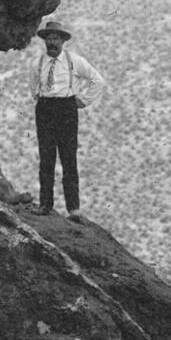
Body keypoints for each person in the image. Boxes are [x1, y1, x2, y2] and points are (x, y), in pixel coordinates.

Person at [28, 20, 106, 221]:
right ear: (45, 40)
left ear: (62, 40)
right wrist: (42, 98)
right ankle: (45, 204)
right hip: (45, 109)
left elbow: (97, 80)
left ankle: (74, 209)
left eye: (56, 38)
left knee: (68, 158)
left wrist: (83, 100)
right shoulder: (36, 63)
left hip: (67, 109)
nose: (52, 42)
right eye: (49, 38)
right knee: (46, 158)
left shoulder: (74, 61)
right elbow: (33, 87)